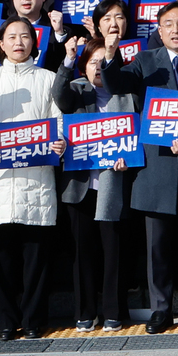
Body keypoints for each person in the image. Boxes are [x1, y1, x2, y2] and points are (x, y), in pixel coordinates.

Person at [100, 0, 178, 334]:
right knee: (156, 248)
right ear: (159, 29)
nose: (175, 29)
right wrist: (110, 54)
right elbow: (115, 84)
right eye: (168, 24)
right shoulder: (145, 61)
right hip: (156, 170)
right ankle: (160, 309)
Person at [0, 17, 64, 340]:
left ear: (35, 42)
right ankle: (4, 321)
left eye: (25, 36)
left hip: (36, 179)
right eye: (11, 37)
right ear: (0, 44)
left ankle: (33, 320)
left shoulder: (48, 78)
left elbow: (58, 121)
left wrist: (60, 143)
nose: (19, 42)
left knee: (36, 260)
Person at [51, 36, 137, 332]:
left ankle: (114, 311)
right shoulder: (76, 91)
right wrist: (68, 60)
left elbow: (137, 139)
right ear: (83, 66)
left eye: (104, 61)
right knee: (82, 253)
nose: (98, 68)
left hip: (114, 183)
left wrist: (129, 158)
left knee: (114, 251)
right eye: (92, 62)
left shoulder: (128, 96)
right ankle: (85, 312)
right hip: (80, 184)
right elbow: (58, 96)